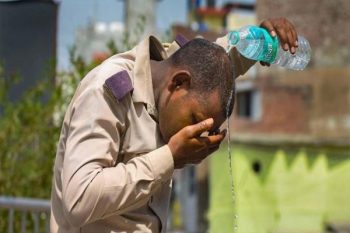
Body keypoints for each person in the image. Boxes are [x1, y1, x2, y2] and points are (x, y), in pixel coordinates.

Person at [50, 18, 299, 233]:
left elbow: (216, 61)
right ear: (178, 83)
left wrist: (261, 39)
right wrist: (169, 157)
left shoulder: (176, 75)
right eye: (195, 119)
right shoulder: (106, 92)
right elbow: (78, 199)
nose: (197, 132)